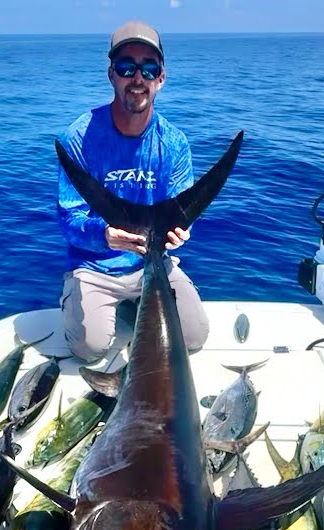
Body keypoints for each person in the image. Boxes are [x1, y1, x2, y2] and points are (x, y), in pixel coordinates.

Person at [56, 20, 210, 364]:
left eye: (148, 68)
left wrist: (180, 234)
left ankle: (135, 307)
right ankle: (98, 302)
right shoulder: (79, 137)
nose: (137, 78)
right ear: (112, 75)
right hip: (95, 266)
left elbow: (182, 214)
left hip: (152, 264)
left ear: (161, 78)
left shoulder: (174, 143)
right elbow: (69, 219)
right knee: (89, 350)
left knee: (194, 339)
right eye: (127, 67)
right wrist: (104, 235)